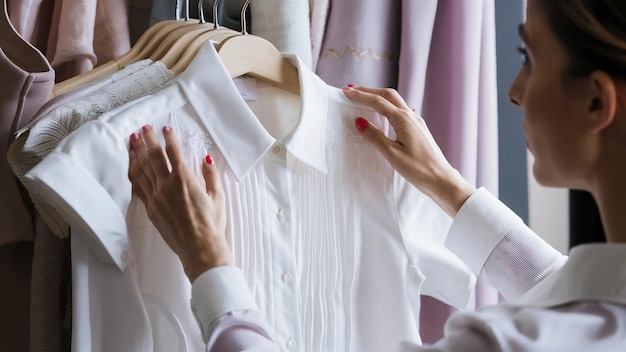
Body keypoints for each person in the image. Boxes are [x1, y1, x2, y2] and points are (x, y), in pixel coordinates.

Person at [127, 0, 626, 350]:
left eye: (529, 59)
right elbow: (562, 289)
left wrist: (210, 265)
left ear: (597, 101)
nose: (515, 91)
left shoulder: (504, 342)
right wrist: (448, 188)